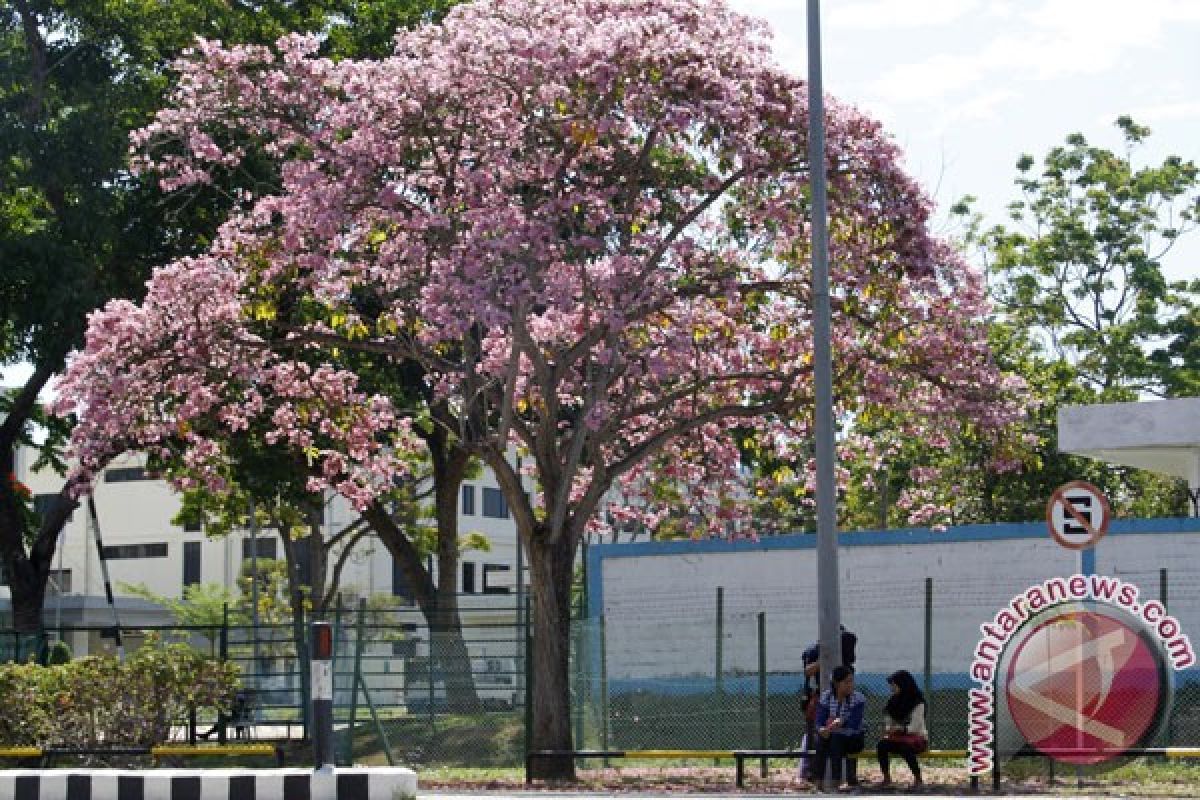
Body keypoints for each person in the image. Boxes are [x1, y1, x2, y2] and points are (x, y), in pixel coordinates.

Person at [800, 626, 857, 780]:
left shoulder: (846, 655)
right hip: (819, 697)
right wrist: (823, 660)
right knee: (815, 735)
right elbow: (808, 671)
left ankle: (848, 773)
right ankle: (810, 771)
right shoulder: (814, 651)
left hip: (843, 700)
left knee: (847, 733)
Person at [811, 665, 866, 789]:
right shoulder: (826, 697)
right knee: (821, 741)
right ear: (836, 684)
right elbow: (819, 720)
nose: (850, 685)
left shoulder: (858, 698)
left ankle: (836, 782)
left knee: (835, 738)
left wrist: (841, 722)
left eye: (851, 681)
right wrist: (821, 729)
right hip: (833, 736)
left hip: (854, 739)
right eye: (846, 682)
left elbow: (854, 723)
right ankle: (818, 782)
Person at [875, 669, 928, 789]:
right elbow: (888, 720)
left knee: (905, 748)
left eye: (893, 685)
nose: (891, 688)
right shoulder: (893, 701)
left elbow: (915, 727)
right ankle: (886, 778)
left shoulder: (918, 702)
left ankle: (918, 778)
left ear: (903, 685)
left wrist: (899, 729)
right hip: (897, 738)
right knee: (881, 745)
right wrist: (888, 729)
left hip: (917, 739)